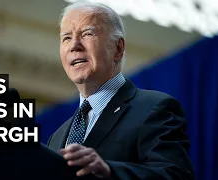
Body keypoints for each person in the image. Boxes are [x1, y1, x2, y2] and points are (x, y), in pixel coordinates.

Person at [46, 2, 195, 179]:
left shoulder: (154, 108)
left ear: (118, 48)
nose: (74, 45)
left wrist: (110, 171)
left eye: (87, 34)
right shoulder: (57, 137)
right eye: (67, 38)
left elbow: (175, 175)